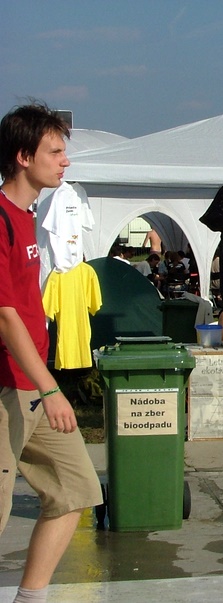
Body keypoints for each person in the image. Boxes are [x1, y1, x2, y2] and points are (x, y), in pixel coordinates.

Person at [0, 101, 102, 602]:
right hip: (9, 388)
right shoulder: (0, 219)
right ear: (23, 157)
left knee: (75, 490)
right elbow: (5, 316)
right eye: (55, 152)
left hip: (34, 385)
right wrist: (51, 388)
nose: (65, 161)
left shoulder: (30, 218)